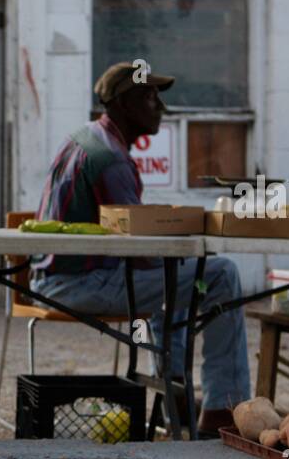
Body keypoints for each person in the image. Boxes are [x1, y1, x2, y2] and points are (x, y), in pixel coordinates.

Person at [32, 60, 250, 433]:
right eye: (149, 97)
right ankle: (220, 409)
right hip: (78, 284)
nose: (160, 108)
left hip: (56, 276)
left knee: (181, 281)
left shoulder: (85, 136)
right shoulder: (111, 160)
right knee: (218, 275)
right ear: (123, 104)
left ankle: (177, 393)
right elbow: (141, 248)